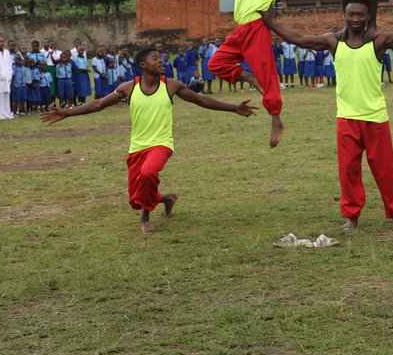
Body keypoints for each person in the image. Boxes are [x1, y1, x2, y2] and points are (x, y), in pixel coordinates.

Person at [263, 0, 393, 230]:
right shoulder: (333, 42)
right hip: (347, 118)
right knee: (348, 171)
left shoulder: (379, 42)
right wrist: (269, 22)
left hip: (376, 117)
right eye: (351, 14)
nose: (355, 19)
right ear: (345, 15)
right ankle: (351, 215)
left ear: (368, 17)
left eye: (360, 15)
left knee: (385, 170)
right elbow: (300, 39)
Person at [41, 47, 256, 234]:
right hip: (137, 147)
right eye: (155, 58)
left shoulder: (171, 86)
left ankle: (144, 218)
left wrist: (234, 108)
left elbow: (201, 99)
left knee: (148, 173)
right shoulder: (128, 88)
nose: (161, 61)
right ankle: (166, 199)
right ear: (143, 65)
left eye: (160, 58)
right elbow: (99, 104)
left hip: (161, 144)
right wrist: (67, 113)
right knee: (135, 199)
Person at [169, 0, 294, 147]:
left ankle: (276, 120)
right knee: (215, 63)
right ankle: (249, 79)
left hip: (258, 29)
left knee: (268, 76)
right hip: (240, 31)